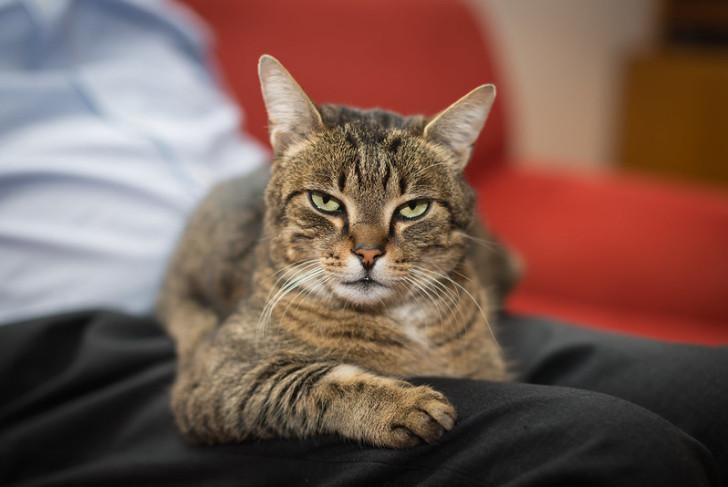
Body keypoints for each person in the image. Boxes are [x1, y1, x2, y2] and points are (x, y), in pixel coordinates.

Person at [0, 1, 725, 486]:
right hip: (94, 348)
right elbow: (210, 391)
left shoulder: (148, 18)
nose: (369, 244)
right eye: (338, 209)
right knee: (620, 452)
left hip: (399, 279)